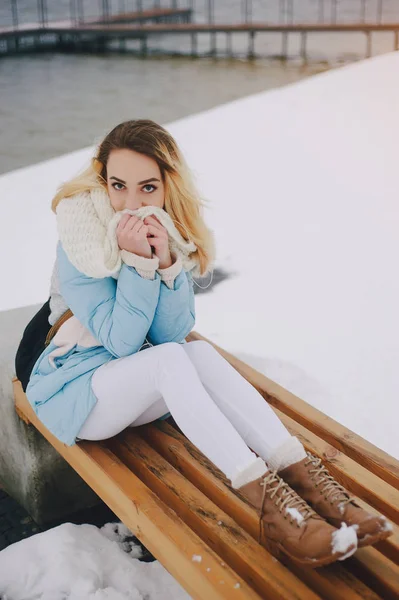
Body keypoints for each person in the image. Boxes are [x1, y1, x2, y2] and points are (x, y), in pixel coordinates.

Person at [16, 120, 391, 568]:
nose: (132, 204)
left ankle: (309, 485)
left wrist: (168, 263)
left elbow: (171, 335)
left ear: (167, 186)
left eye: (147, 188)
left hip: (133, 379)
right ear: (102, 181)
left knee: (198, 352)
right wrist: (138, 265)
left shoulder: (165, 230)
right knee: (173, 360)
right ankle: (276, 514)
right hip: (77, 393)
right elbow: (120, 343)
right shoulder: (81, 241)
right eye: (118, 186)